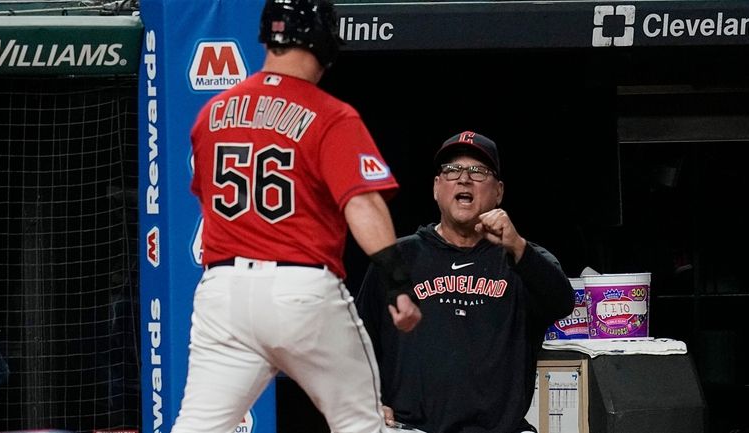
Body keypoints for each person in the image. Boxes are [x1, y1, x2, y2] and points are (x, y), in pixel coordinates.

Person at [172, 0, 422, 432]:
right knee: (360, 423)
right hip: (300, 289)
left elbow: (208, 199)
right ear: (324, 41)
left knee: (197, 428)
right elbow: (361, 203)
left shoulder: (211, 115)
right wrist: (398, 282)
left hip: (223, 293)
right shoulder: (331, 115)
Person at [356, 131, 575, 433]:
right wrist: (368, 400)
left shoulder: (524, 259)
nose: (463, 179)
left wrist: (518, 247)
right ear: (436, 188)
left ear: (498, 192)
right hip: (410, 427)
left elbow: (562, 302)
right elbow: (358, 340)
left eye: (478, 171)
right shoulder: (397, 257)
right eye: (451, 170)